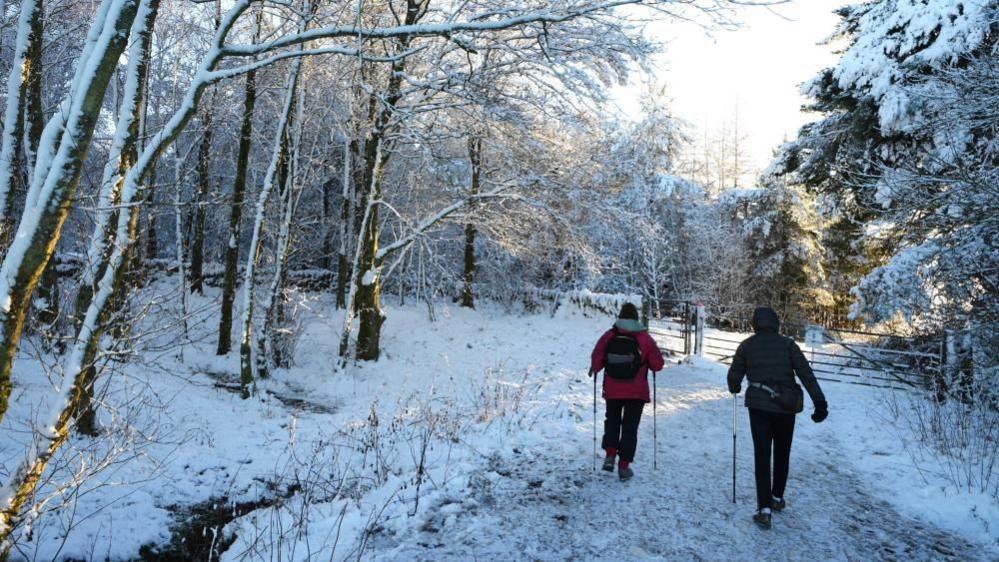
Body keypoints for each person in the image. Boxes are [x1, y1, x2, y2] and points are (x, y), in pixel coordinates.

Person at [727, 306, 828, 530]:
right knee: (782, 452)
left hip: (759, 407)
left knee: (762, 456)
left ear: (756, 323)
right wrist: (819, 402)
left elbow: (734, 377)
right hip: (785, 407)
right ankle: (776, 497)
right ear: (776, 323)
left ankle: (764, 509)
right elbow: (806, 374)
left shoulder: (747, 345)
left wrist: (734, 385)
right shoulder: (788, 345)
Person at [589, 303, 665, 481]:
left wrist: (594, 368)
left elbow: (597, 359)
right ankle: (623, 466)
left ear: (620, 317)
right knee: (630, 427)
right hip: (636, 391)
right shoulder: (645, 338)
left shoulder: (609, 336)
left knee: (612, 421)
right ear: (636, 318)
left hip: (613, 388)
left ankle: (610, 454)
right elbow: (658, 365)